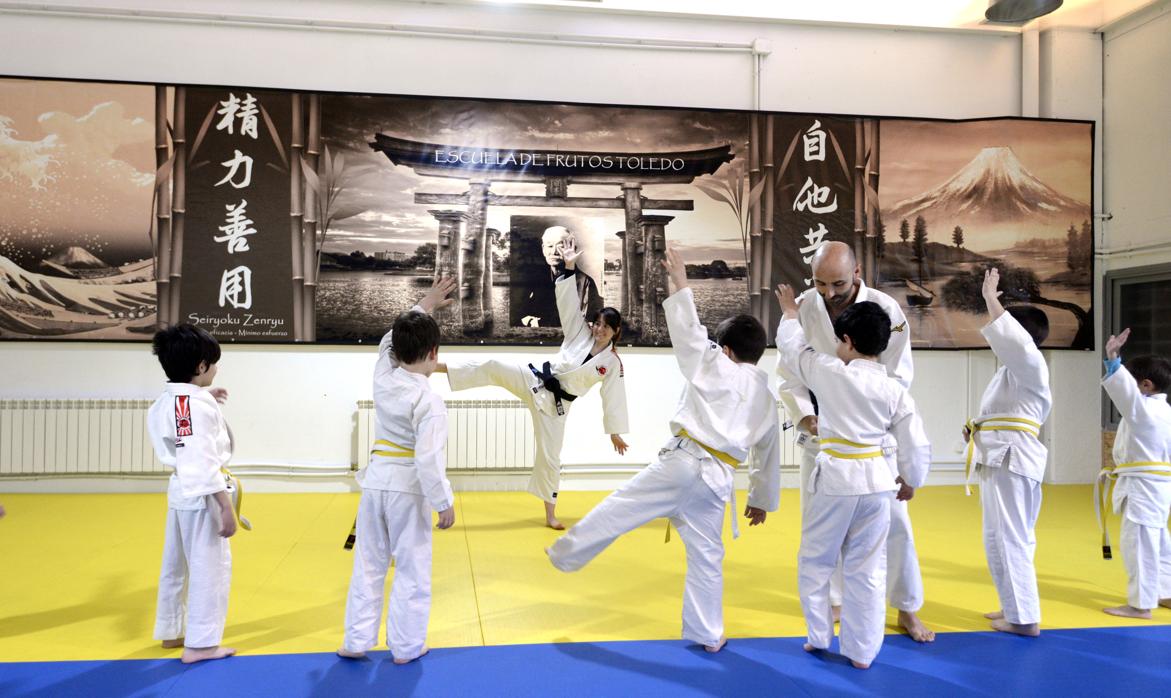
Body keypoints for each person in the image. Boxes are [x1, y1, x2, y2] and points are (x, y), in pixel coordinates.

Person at [546, 246, 781, 653]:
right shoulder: (766, 395)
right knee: (707, 558)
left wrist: (682, 282)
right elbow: (768, 451)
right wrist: (761, 500)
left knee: (622, 507)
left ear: (726, 348)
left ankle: (566, 553)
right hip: (718, 482)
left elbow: (690, 333)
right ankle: (709, 633)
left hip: (685, 462)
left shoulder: (714, 362)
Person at [774, 241, 933, 642]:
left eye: (839, 284)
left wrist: (858, 402)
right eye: (820, 283)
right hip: (821, 439)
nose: (829, 293)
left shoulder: (886, 311)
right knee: (822, 529)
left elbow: (898, 374)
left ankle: (907, 608)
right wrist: (804, 414)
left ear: (857, 272)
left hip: (873, 439)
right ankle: (836, 601)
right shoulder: (807, 305)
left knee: (895, 528)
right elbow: (790, 370)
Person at [438, 237, 629, 530]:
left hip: (556, 406)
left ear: (615, 332)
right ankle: (435, 367)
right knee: (492, 366)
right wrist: (568, 267)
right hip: (535, 378)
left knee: (550, 458)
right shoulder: (580, 332)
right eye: (597, 323)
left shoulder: (612, 363)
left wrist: (614, 432)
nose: (598, 329)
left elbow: (613, 397)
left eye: (605, 327)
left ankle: (550, 515)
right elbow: (568, 305)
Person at [338, 278, 458, 665]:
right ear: (434, 353)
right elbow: (428, 459)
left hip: (375, 484)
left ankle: (356, 641)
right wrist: (444, 502)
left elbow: (387, 343)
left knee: (369, 563)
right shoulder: (429, 399)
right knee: (412, 567)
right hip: (409, 487)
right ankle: (406, 647)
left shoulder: (384, 378)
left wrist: (424, 306)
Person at [964, 268, 1052, 637]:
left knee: (1011, 534)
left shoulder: (1031, 364)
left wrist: (990, 299)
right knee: (997, 535)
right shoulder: (1009, 375)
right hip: (1000, 457)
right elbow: (1001, 416)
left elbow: (1015, 342)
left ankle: (1025, 618)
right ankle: (1013, 605)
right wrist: (977, 429)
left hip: (1012, 460)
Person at [146, 324, 238, 664]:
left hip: (181, 490)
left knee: (176, 564)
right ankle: (201, 645)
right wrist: (224, 506)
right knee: (209, 568)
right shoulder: (192, 407)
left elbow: (180, 423)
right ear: (200, 367)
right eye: (213, 363)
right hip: (202, 495)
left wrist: (204, 397)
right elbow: (199, 457)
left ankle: (172, 630)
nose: (215, 370)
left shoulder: (171, 399)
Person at [1097, 327, 1171, 618]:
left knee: (1138, 542)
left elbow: (1124, 393)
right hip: (1160, 485)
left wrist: (1113, 359)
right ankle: (1166, 591)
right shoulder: (1165, 412)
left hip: (1143, 484)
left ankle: (1140, 604)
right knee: (1160, 539)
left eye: (1133, 379)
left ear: (1147, 385)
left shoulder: (1144, 410)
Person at [517, 226, 603, 328]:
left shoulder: (585, 282)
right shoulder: (535, 278)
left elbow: (590, 322)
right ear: (543, 249)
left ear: (573, 249)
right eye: (549, 246)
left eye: (560, 246)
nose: (554, 252)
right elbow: (521, 314)